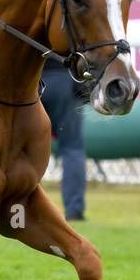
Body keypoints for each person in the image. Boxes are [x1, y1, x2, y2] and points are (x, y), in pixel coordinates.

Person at [40, 62, 88, 220]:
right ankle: (74, 211)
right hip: (65, 81)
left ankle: (16, 208)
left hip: (31, 80)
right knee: (72, 149)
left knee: (20, 150)